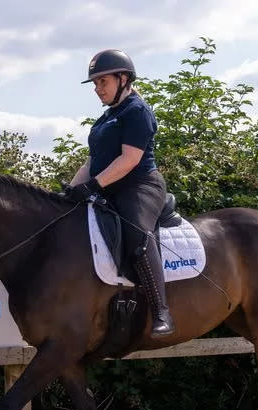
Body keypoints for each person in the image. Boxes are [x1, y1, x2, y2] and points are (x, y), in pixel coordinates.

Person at [64, 49, 174, 337]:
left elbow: (130, 159)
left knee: (137, 232)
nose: (98, 89)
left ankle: (161, 311)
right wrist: (70, 192)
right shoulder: (106, 118)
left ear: (123, 78)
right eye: (96, 84)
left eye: (103, 82)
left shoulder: (137, 111)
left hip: (140, 185)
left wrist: (94, 186)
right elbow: (92, 162)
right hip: (109, 184)